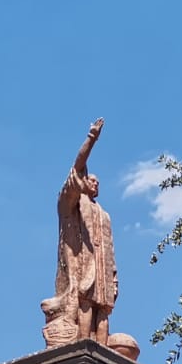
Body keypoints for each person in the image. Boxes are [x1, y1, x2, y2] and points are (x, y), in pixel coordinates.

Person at [41, 118, 118, 347]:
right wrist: (91, 139)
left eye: (97, 183)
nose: (95, 184)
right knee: (85, 303)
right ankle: (84, 344)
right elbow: (77, 167)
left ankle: (101, 348)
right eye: (91, 180)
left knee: (103, 310)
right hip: (84, 268)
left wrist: (114, 278)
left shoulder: (104, 214)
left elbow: (110, 248)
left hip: (103, 269)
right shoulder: (71, 203)